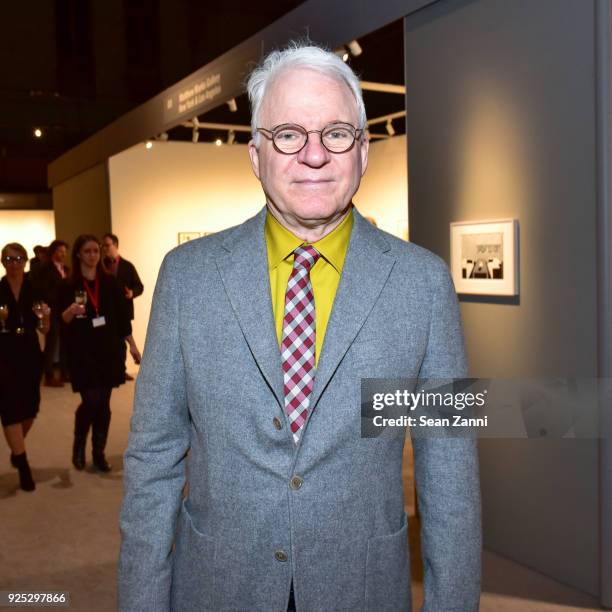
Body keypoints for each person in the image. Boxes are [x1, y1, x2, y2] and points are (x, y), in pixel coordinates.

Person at [119, 43, 481, 611]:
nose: (314, 155)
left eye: (336, 133)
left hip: (361, 589)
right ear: (255, 155)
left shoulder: (426, 283)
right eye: (288, 134)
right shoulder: (186, 277)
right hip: (218, 587)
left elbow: (451, 472)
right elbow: (152, 459)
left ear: (363, 152)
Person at [60, 235, 141, 472]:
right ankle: (78, 446)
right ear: (78, 255)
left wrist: (133, 346)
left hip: (108, 351)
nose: (93, 255)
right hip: (82, 352)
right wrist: (70, 311)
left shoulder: (110, 283)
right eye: (87, 251)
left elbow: (122, 319)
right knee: (91, 401)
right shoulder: (68, 285)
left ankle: (98, 452)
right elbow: (61, 321)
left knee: (103, 402)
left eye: (96, 251)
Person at [0, 243, 50, 491]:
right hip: (4, 351)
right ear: (2, 262)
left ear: (25, 261)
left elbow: (44, 328)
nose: (14, 262)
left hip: (30, 349)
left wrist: (46, 317)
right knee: (9, 407)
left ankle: (16, 449)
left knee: (30, 409)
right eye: (9, 258)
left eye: (19, 258)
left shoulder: (35, 288)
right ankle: (23, 463)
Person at [101, 233, 144, 380]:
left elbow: (139, 286)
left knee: (121, 342)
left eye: (107, 245)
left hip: (123, 311)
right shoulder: (100, 266)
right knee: (108, 341)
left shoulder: (127, 266)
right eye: (103, 246)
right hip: (105, 312)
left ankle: (121, 370)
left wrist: (132, 293)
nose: (104, 248)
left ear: (116, 245)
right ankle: (110, 369)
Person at [37, 239, 69, 387]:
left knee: (65, 342)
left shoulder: (66, 269)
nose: (62, 254)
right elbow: (44, 291)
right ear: (53, 251)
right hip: (52, 310)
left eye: (64, 251)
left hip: (65, 310)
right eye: (59, 251)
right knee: (51, 343)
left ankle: (64, 373)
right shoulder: (46, 268)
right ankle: (48, 376)